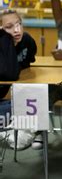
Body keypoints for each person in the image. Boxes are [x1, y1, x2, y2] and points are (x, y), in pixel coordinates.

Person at [0, 9, 38, 149]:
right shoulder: (2, 43)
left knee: (36, 102)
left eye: (18, 24)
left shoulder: (26, 40)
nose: (16, 30)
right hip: (4, 100)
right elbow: (10, 74)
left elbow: (30, 59)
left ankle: (26, 131)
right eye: (9, 27)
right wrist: (4, 39)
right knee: (27, 109)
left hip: (7, 98)